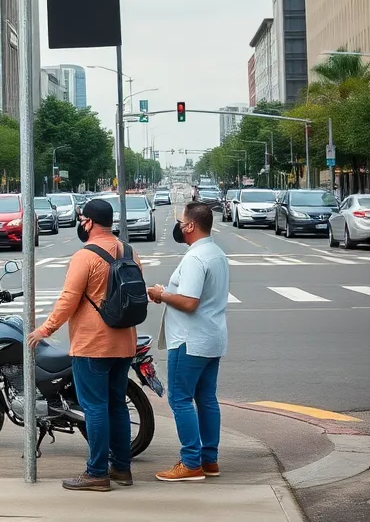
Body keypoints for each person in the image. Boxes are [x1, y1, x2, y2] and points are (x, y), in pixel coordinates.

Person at [27, 198, 143, 492]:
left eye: (83, 219)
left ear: (90, 222)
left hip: (93, 344)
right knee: (117, 405)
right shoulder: (130, 252)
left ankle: (96, 473)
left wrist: (45, 329)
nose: (81, 223)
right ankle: (121, 469)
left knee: (95, 407)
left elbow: (69, 299)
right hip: (125, 342)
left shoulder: (85, 256)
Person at [148, 201, 230, 482]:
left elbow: (189, 301)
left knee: (180, 399)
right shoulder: (216, 253)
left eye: (181, 221)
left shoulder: (196, 258)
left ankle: (191, 462)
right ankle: (210, 460)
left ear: (191, 226)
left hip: (189, 340)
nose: (178, 226)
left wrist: (161, 294)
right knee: (206, 398)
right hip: (212, 337)